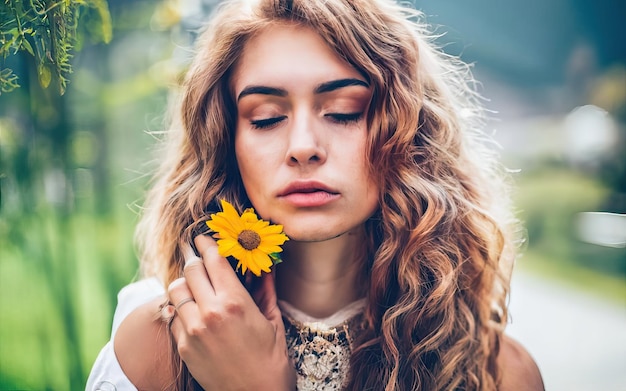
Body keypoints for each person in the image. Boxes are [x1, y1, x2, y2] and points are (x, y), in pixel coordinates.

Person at [87, 0, 545, 389]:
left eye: (344, 112)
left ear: (407, 134)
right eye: (266, 117)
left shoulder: (499, 373)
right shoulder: (159, 347)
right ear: (227, 142)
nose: (304, 146)